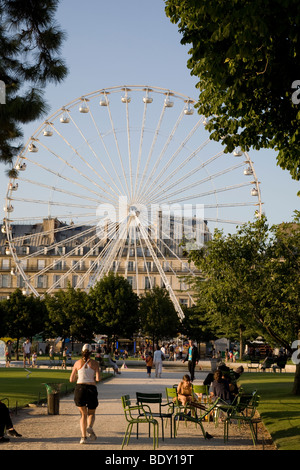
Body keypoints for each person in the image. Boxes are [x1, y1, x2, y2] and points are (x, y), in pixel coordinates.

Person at [70, 344, 101, 444]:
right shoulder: (95, 363)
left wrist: (78, 375)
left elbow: (71, 379)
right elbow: (98, 379)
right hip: (91, 388)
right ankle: (90, 427)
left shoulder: (77, 363)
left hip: (80, 388)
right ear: (91, 352)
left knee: (83, 414)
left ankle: (83, 438)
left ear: (82, 352)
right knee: (91, 413)